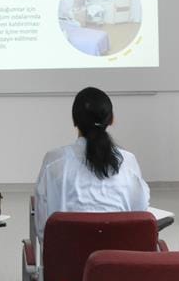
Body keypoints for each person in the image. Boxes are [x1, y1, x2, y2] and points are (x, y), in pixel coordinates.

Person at [34, 86, 150, 241]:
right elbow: (140, 214)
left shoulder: (54, 161)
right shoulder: (128, 162)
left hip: (67, 255)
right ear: (111, 119)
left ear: (74, 121)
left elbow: (43, 228)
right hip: (120, 255)